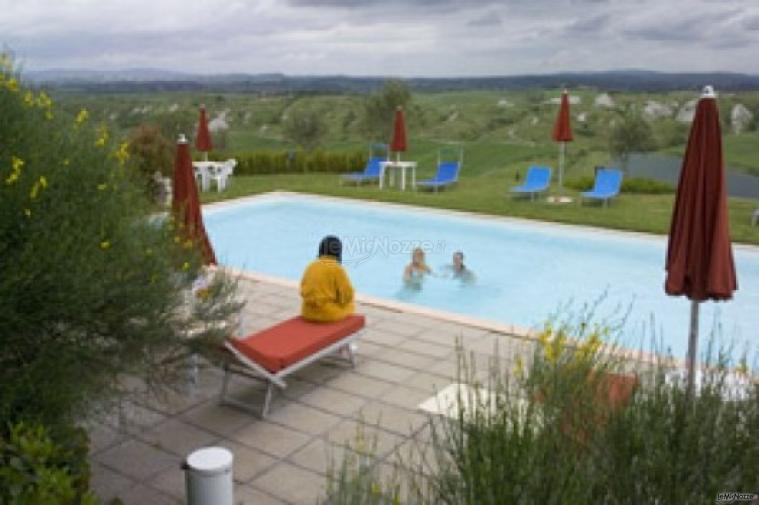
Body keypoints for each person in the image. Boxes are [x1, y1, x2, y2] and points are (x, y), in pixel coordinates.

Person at [300, 236, 355, 322]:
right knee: (350, 306)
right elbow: (347, 295)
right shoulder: (337, 269)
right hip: (327, 314)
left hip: (307, 312)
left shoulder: (311, 266)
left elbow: (303, 289)